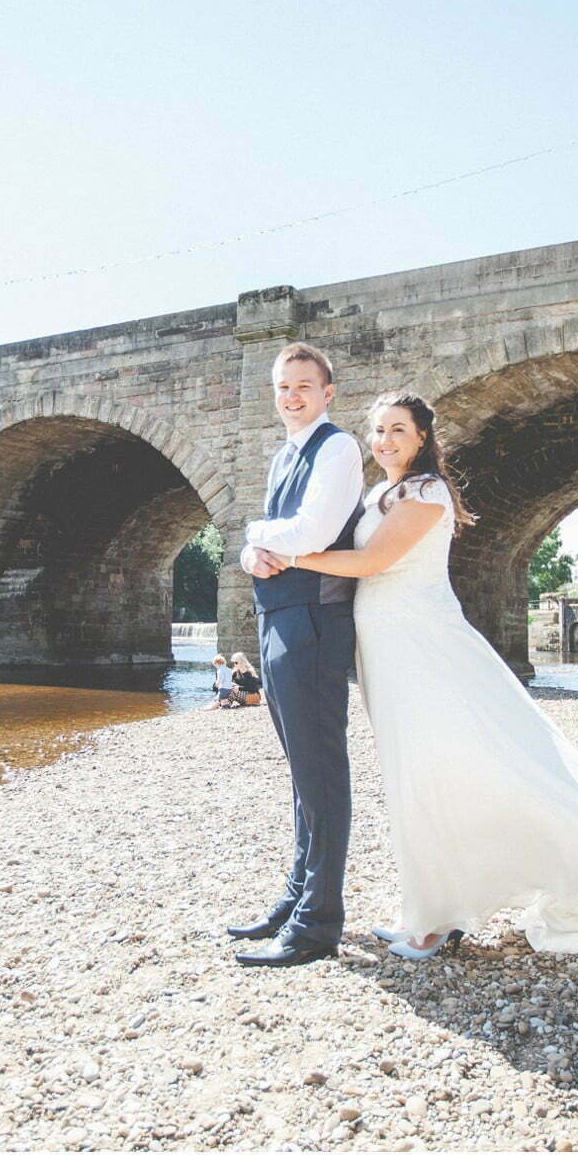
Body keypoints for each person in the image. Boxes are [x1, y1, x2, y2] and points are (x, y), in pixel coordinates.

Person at [268, 391, 578, 962]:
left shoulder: (426, 492)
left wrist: (283, 554)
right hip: (388, 648)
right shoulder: (381, 492)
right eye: (378, 431)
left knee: (442, 770)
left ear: (422, 439)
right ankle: (428, 912)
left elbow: (370, 563)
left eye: (398, 431)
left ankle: (436, 925)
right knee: (417, 774)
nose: (384, 441)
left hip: (422, 647)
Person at [226, 341, 365, 968]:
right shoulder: (288, 452)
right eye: (284, 387)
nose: (292, 396)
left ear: (327, 392)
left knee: (321, 771)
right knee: (301, 771)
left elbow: (309, 533)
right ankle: (295, 898)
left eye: (304, 386)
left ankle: (317, 925)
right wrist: (252, 554)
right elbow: (272, 545)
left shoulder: (336, 448)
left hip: (313, 618)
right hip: (279, 617)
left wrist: (254, 537)